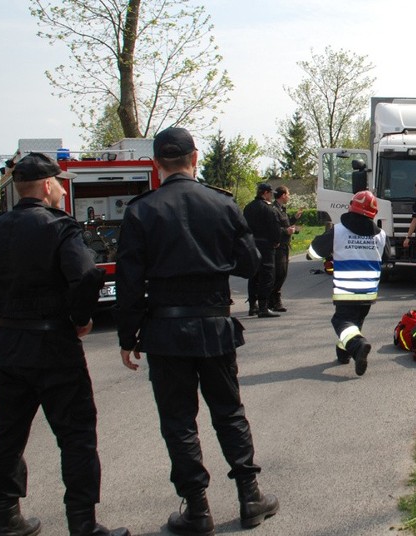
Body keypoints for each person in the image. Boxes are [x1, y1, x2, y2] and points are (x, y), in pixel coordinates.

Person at [114, 127, 278, 535]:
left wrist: (127, 336)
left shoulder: (141, 210)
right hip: (213, 323)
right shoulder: (220, 203)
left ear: (156, 163)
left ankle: (198, 509)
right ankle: (250, 496)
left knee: (178, 420)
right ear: (195, 157)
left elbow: (129, 281)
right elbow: (249, 264)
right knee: (229, 411)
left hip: (165, 329)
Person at [0, 153, 128, 536]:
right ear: (46, 186)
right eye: (60, 182)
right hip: (52, 346)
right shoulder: (60, 228)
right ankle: (83, 524)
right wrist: (81, 320)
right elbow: (85, 277)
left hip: (5, 343)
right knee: (76, 435)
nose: (63, 188)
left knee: (8, 434)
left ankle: (6, 520)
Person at [306, 190, 388, 376]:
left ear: (352, 206)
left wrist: (320, 254)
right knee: (354, 323)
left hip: (347, 290)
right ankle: (343, 354)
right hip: (369, 291)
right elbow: (388, 256)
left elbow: (314, 252)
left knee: (341, 321)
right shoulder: (381, 235)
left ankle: (358, 346)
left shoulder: (338, 230)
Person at [243, 183, 281, 318]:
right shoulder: (268, 209)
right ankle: (263, 307)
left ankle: (252, 305)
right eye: (270, 193)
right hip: (266, 246)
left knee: (253, 275)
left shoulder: (248, 208)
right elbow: (274, 227)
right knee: (267, 276)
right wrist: (276, 241)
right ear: (265, 193)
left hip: (251, 245)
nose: (271, 196)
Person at [269, 185, 303, 312]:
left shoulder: (281, 209)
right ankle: (273, 301)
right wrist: (286, 231)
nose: (289, 196)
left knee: (282, 273)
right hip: (278, 246)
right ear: (283, 195)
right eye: (288, 194)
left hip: (284, 245)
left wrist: (294, 218)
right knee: (279, 273)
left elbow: (285, 222)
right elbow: (274, 228)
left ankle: (273, 301)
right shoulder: (274, 210)